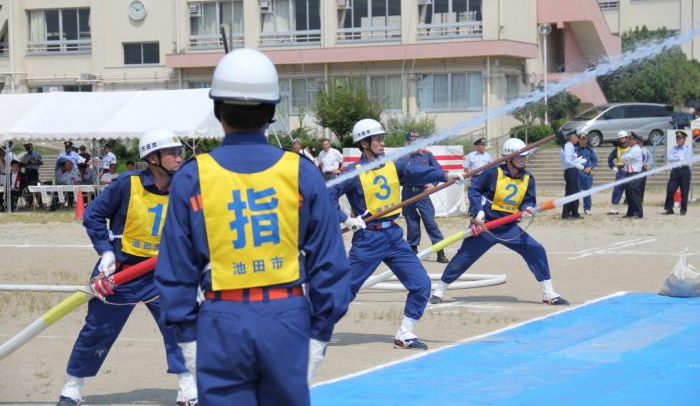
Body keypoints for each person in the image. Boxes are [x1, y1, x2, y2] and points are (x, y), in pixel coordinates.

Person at [154, 48, 351, 406]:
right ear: (271, 112)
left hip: (220, 319)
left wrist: (187, 336)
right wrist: (320, 332)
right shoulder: (301, 172)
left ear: (218, 110)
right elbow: (330, 262)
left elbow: (176, 268)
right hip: (288, 317)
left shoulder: (193, 176)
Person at [55, 129, 196, 406]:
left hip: (163, 273)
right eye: (172, 153)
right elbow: (94, 215)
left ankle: (188, 387)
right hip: (121, 271)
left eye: (180, 152)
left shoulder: (186, 186)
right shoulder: (126, 185)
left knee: (180, 327)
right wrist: (105, 252)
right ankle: (73, 385)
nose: (179, 158)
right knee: (97, 329)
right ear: (153, 158)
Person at [329, 119, 465, 350]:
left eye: (382, 138)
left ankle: (405, 333)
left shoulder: (393, 165)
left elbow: (417, 172)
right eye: (378, 139)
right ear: (364, 143)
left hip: (393, 235)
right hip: (368, 239)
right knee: (345, 290)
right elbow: (328, 197)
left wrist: (445, 175)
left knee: (421, 284)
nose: (382, 142)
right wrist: (347, 220)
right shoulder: (352, 173)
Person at [430, 138, 569, 306]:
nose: (524, 160)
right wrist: (478, 212)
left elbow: (529, 200)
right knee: (464, 257)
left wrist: (527, 210)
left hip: (509, 227)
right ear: (509, 158)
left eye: (525, 157)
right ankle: (440, 290)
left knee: (536, 250)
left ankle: (549, 293)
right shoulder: (493, 173)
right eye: (520, 157)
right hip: (485, 226)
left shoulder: (528, 178)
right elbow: (474, 189)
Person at [399, 131, 449, 263]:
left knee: (430, 222)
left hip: (423, 193)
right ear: (407, 143)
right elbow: (396, 175)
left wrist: (433, 184)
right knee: (412, 223)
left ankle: (440, 251)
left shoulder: (427, 155)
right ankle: (413, 250)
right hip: (408, 193)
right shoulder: (402, 157)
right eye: (411, 141)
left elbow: (439, 171)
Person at [663, 130, 692, 216]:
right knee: (670, 189)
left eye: (680, 138)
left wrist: (676, 158)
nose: (678, 140)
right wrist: (679, 158)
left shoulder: (688, 149)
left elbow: (686, 160)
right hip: (675, 171)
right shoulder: (673, 148)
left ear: (684, 139)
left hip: (685, 171)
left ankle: (683, 210)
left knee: (684, 191)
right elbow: (669, 158)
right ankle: (669, 208)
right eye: (677, 138)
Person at [560, 130, 584, 219]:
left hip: (572, 170)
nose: (577, 139)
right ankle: (566, 213)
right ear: (571, 138)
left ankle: (574, 212)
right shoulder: (568, 146)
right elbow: (567, 160)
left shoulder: (570, 146)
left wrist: (578, 161)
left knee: (575, 192)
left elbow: (571, 159)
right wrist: (576, 164)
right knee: (570, 192)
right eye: (576, 137)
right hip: (570, 171)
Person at [620, 132, 644, 219]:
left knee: (635, 194)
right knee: (629, 194)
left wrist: (624, 157)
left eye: (630, 139)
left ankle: (638, 212)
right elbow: (623, 158)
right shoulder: (631, 149)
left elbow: (626, 158)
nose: (628, 141)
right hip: (629, 173)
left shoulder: (636, 149)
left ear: (635, 141)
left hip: (634, 174)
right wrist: (624, 157)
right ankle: (630, 212)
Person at [606, 131, 629, 215]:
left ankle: (630, 209)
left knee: (630, 190)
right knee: (617, 190)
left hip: (630, 171)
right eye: (620, 138)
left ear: (627, 138)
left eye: (623, 138)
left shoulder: (632, 148)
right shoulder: (617, 149)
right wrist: (613, 167)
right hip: (620, 171)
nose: (622, 140)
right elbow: (609, 159)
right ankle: (615, 208)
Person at [575, 133, 598, 215]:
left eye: (584, 139)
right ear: (578, 140)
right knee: (576, 192)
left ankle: (587, 208)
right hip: (577, 173)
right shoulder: (575, 149)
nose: (583, 140)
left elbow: (595, 161)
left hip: (586, 174)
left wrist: (590, 167)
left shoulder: (589, 150)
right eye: (581, 139)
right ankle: (575, 209)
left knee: (587, 192)